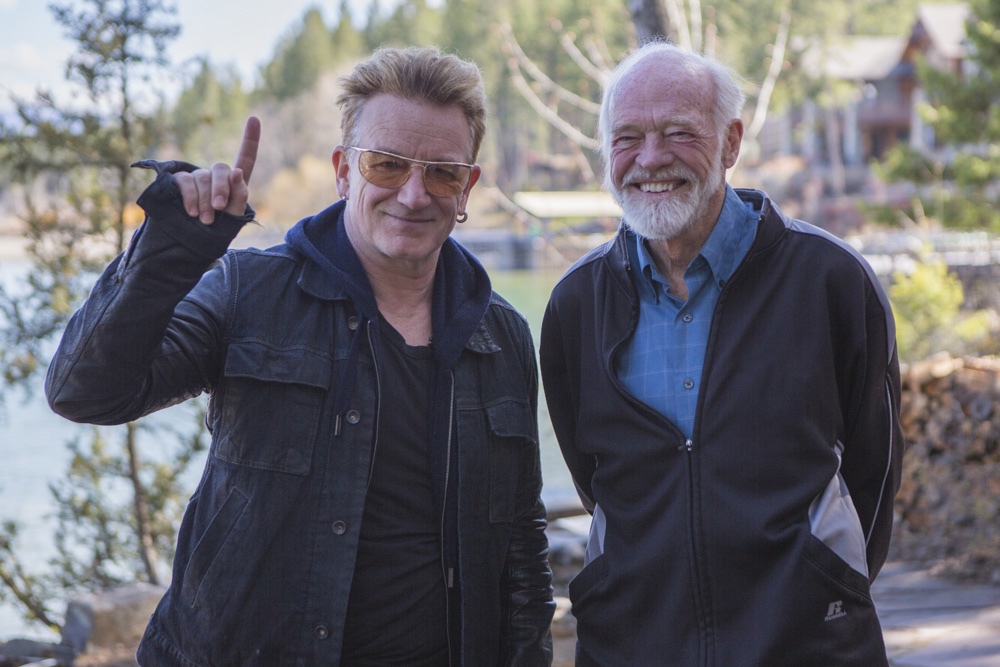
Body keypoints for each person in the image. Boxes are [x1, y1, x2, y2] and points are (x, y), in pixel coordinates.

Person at [46, 45, 554, 666]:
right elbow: (85, 391)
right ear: (344, 171)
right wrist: (172, 246)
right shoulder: (248, 291)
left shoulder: (499, 336)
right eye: (388, 166)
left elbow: (521, 544)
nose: (415, 195)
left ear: (468, 186)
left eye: (442, 172)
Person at [539, 41, 904, 666]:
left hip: (808, 645)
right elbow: (595, 477)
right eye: (627, 137)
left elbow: (874, 471)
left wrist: (828, 589)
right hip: (632, 645)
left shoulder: (829, 281)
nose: (650, 159)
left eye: (679, 132)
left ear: (731, 142)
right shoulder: (576, 303)